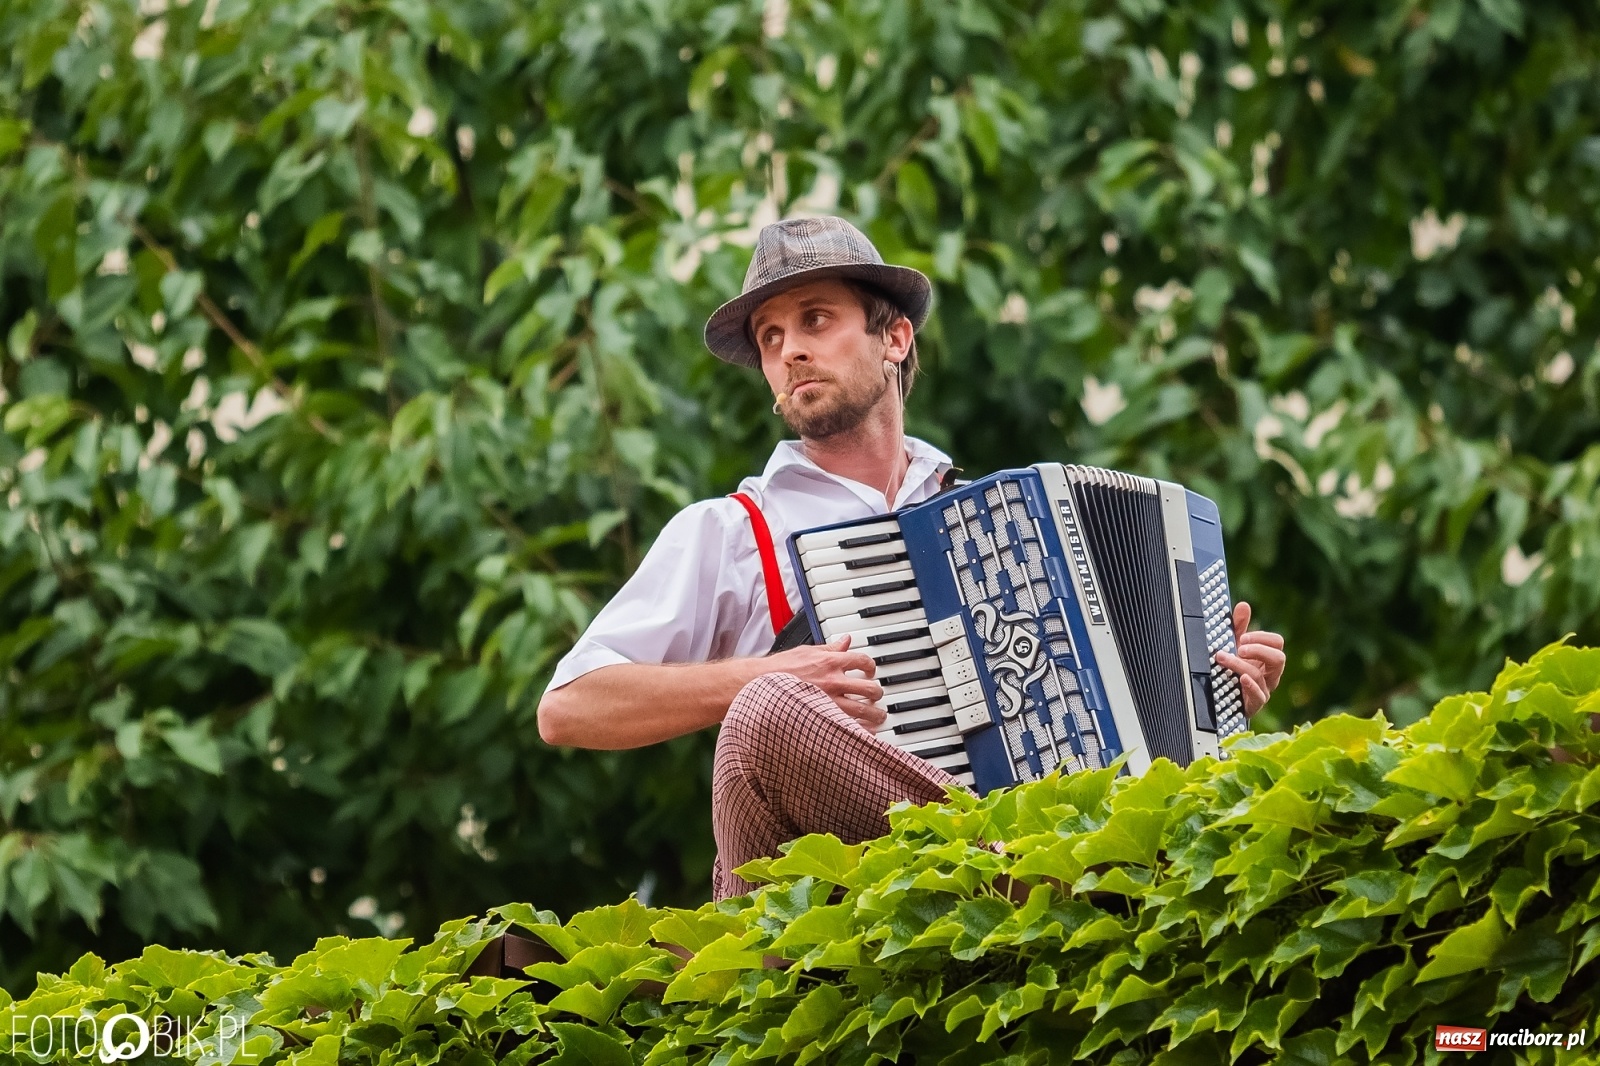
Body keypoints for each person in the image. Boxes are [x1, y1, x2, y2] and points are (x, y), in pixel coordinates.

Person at [536, 216, 1287, 898]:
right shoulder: (733, 531)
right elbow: (569, 707)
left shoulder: (991, 519)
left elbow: (1083, 723)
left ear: (893, 339)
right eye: (770, 337)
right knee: (768, 710)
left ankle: (1047, 864)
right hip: (812, 907)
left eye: (816, 320)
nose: (790, 348)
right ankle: (1041, 873)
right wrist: (764, 672)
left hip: (978, 888)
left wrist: (1211, 698)